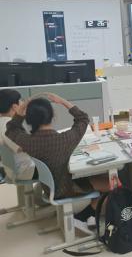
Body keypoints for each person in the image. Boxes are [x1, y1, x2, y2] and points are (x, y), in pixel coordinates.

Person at [5, 93, 110, 225]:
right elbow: (83, 118)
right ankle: (86, 214)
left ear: (29, 119)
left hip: (49, 188)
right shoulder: (65, 139)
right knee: (113, 183)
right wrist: (62, 101)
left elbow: (11, 128)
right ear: (53, 115)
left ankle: (89, 213)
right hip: (67, 187)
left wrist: (22, 109)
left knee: (101, 177)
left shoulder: (28, 142)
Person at [0, 89, 35, 180]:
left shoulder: (3, 122)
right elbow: (22, 147)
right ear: (15, 107)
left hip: (11, 170)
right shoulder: (9, 125)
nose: (23, 104)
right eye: (21, 101)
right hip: (24, 169)